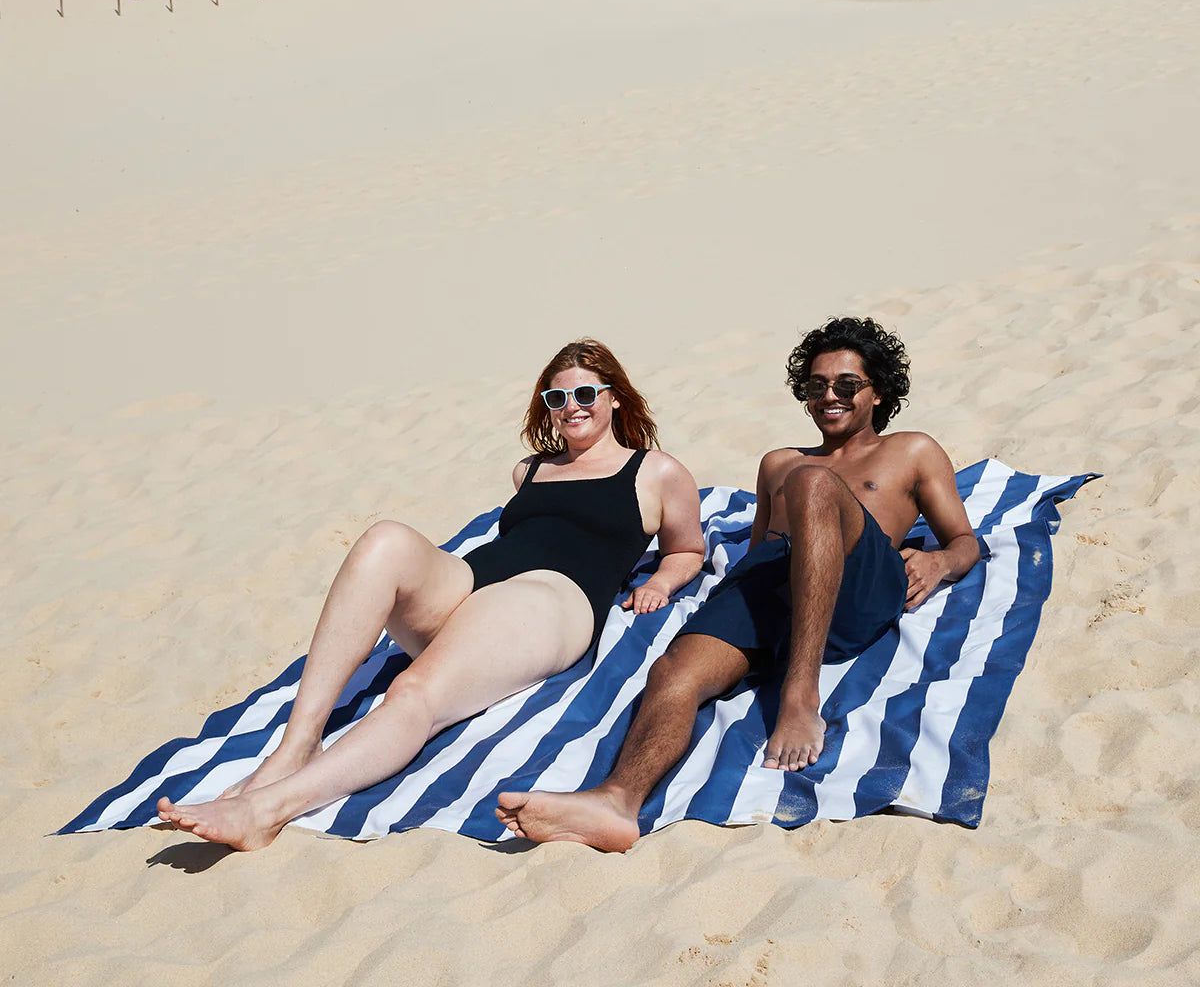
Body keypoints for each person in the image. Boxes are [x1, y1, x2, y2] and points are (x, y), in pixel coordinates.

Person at [157, 339, 705, 851]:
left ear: (613, 398)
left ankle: (266, 810)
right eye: (557, 397)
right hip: (470, 581)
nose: (572, 406)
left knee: (413, 689)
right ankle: (297, 743)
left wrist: (659, 582)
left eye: (585, 393)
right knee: (384, 539)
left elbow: (688, 550)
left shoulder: (655, 471)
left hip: (547, 599)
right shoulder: (529, 470)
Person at [496, 317, 980, 852]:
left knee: (815, 481)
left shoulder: (911, 450)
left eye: (847, 385)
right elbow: (761, 552)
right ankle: (617, 801)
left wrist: (939, 565)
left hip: (855, 588)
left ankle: (799, 695)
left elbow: (963, 541)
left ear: (878, 392)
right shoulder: (778, 462)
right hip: (776, 582)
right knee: (674, 672)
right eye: (816, 386)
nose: (830, 396)